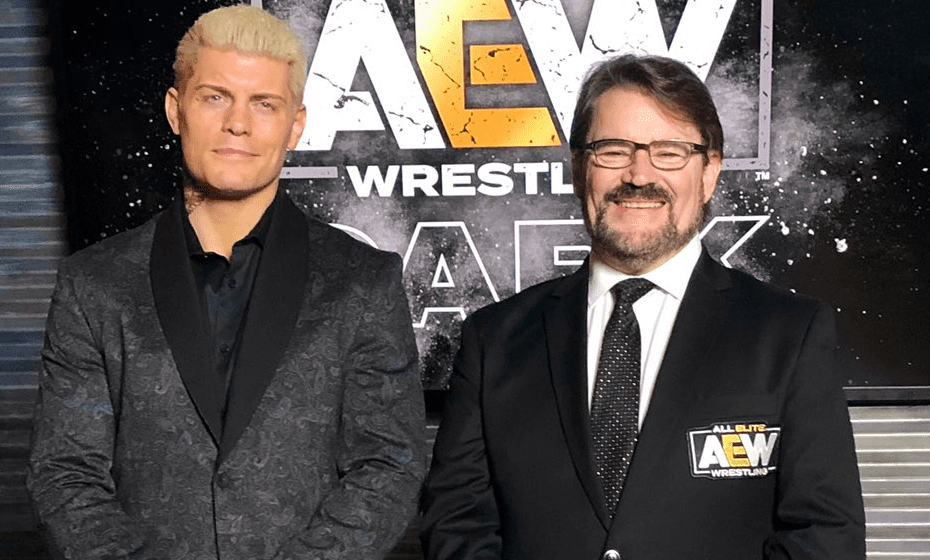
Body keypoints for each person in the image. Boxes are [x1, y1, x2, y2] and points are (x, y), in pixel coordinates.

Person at [420, 54, 865, 560]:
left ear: (709, 172)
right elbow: (456, 523)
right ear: (578, 168)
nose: (638, 175)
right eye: (613, 151)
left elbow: (825, 536)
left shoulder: (789, 334)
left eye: (669, 152)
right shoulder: (493, 340)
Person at [28, 6, 425, 559]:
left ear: (296, 126)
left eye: (264, 103)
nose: (238, 123)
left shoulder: (363, 281)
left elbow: (389, 465)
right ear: (176, 110)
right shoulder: (93, 285)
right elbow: (66, 473)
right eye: (215, 97)